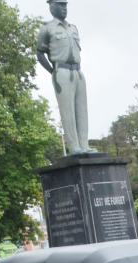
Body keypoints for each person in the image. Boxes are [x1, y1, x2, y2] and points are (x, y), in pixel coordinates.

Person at [36, 0, 91, 154]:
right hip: (62, 71)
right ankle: (74, 147)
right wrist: (52, 71)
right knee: (68, 111)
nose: (64, 8)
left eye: (65, 5)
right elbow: (40, 52)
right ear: (51, 6)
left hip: (78, 71)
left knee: (82, 110)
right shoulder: (47, 28)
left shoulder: (73, 28)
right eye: (60, 5)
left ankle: (84, 145)